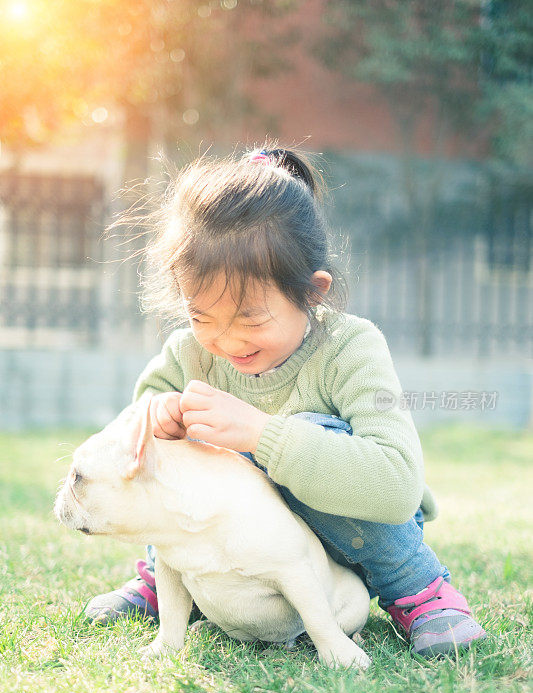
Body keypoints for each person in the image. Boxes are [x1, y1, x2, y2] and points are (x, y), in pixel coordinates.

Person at [85, 144, 487, 658]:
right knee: (174, 451)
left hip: (347, 540)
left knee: (313, 429)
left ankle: (419, 589)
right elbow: (131, 438)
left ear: (313, 292)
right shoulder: (188, 354)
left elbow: (396, 483)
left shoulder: (351, 348)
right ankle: (165, 581)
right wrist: (156, 416)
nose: (227, 342)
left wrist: (261, 435)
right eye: (203, 317)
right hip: (249, 551)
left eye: (250, 318)